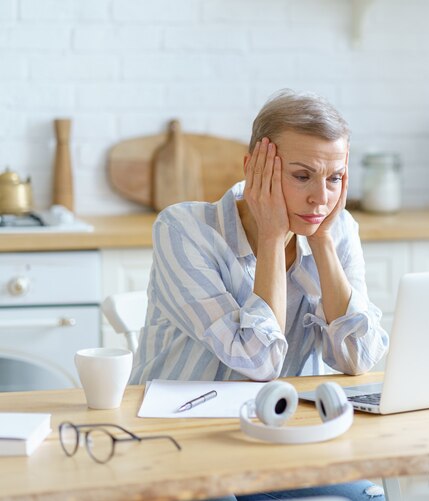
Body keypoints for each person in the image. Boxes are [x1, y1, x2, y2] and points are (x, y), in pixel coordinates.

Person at [130, 89, 389, 500]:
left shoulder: (335, 227)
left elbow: (358, 356)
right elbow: (258, 359)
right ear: (255, 169)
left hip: (279, 443)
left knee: (368, 496)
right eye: (302, 175)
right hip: (180, 442)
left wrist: (321, 243)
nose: (320, 197)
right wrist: (272, 238)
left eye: (334, 178)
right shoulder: (183, 229)